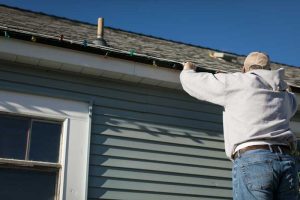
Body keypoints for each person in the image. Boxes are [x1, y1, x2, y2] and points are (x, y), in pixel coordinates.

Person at [180, 52, 299, 200]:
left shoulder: (236, 82)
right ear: (269, 70)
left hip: (255, 160)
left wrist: (188, 69)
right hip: (287, 161)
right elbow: (291, 101)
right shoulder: (285, 95)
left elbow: (193, 82)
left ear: (244, 70)